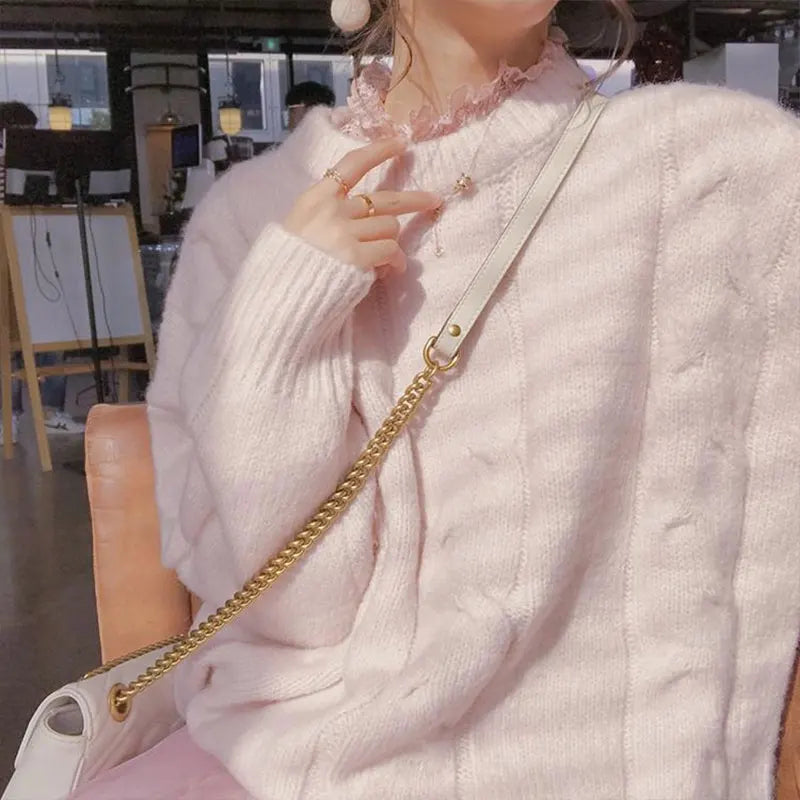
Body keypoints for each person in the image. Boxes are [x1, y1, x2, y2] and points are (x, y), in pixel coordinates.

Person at [70, 0, 800, 797]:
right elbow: (291, 613)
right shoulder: (249, 219)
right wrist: (285, 309)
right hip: (297, 746)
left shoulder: (709, 173)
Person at [0, 101, 85, 444]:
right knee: (8, 340)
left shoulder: (43, 166)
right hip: (7, 258)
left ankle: (48, 412)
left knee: (50, 335)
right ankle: (7, 417)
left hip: (36, 257)